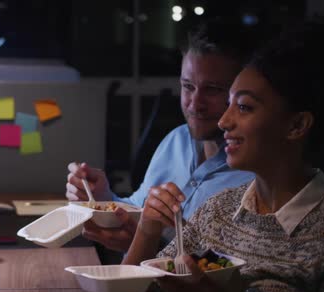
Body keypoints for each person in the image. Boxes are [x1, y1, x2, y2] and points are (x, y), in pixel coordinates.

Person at [111, 22, 324, 292]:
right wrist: (148, 231)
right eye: (229, 103)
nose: (223, 120)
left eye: (244, 107)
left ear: (297, 125)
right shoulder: (219, 212)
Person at [66, 18, 256, 254]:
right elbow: (138, 209)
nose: (195, 104)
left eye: (213, 90)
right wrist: (103, 197)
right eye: (188, 87)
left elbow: (223, 275)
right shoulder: (176, 140)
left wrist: (146, 246)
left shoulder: (254, 174)